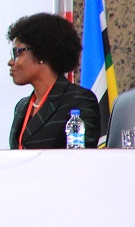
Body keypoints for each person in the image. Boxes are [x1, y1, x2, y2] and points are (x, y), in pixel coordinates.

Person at [7, 12, 102, 148]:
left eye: (17, 53)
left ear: (42, 53)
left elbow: (82, 159)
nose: (10, 62)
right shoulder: (21, 107)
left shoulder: (79, 101)